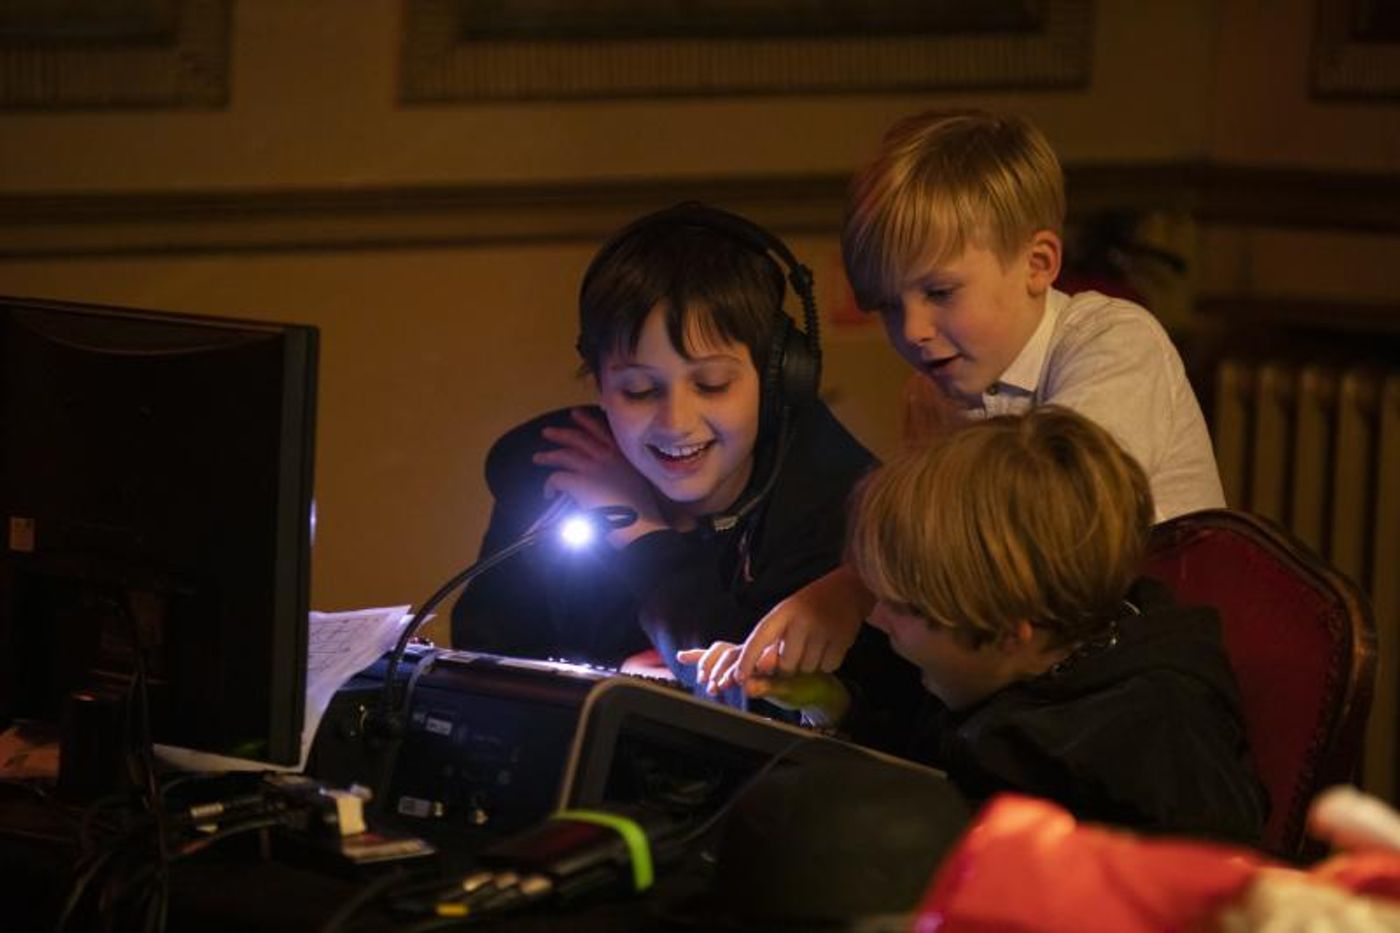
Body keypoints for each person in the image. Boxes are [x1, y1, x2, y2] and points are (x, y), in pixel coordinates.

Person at [704, 107, 1227, 688]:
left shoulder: (1117, 341)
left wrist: (853, 586)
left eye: (940, 291)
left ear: (1038, 264)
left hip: (1140, 679)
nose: (914, 330)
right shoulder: (939, 390)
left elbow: (1036, 529)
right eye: (889, 306)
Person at [686, 407, 1267, 844]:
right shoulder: (1020, 661)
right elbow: (933, 757)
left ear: (1012, 632)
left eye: (904, 608)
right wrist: (830, 704)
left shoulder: (1157, 751)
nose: (878, 617)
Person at [451, 203, 875, 692]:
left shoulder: (839, 508)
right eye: (638, 391)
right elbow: (483, 669)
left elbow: (751, 692)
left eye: (712, 384)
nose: (676, 422)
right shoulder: (559, 470)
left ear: (779, 377)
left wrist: (643, 535)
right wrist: (612, 680)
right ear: (599, 385)